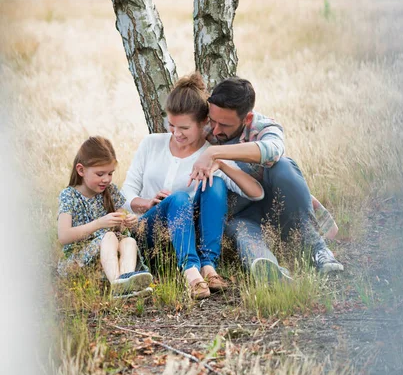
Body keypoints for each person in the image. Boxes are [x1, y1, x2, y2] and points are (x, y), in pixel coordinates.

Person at [121, 73, 264, 299]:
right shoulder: (151, 144)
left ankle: (208, 266)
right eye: (171, 125)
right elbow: (126, 193)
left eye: (184, 128)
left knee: (215, 182)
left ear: (204, 123)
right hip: (148, 235)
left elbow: (256, 193)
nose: (176, 133)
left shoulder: (209, 155)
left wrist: (221, 165)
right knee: (177, 199)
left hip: (187, 239)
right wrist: (146, 203)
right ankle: (191, 274)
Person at [188, 77, 344, 280]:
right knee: (244, 235)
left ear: (247, 118)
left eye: (224, 124)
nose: (215, 130)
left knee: (283, 166)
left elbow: (272, 151)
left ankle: (318, 250)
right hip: (240, 213)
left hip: (278, 206)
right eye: (213, 120)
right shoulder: (204, 126)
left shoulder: (264, 127)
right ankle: (270, 271)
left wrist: (215, 152)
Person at [57, 136, 153, 299]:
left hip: (109, 258)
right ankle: (118, 284)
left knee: (129, 240)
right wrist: (99, 224)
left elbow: (121, 226)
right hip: (80, 260)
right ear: (81, 170)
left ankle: (126, 282)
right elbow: (64, 237)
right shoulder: (69, 195)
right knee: (108, 236)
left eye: (110, 173)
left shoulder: (111, 191)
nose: (106, 179)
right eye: (100, 174)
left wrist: (128, 221)